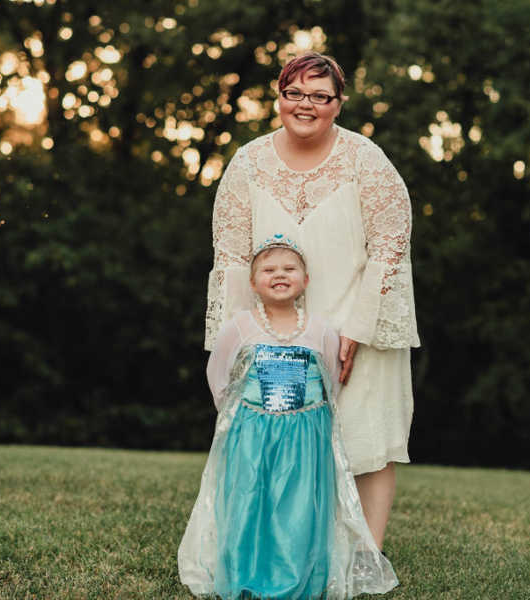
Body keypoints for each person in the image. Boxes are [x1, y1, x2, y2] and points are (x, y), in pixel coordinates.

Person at [205, 52, 419, 552]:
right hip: (277, 334)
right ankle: (291, 550)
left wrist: (358, 329)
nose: (306, 105)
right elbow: (232, 255)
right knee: (280, 443)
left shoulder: (366, 160)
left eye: (320, 96)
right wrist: (245, 336)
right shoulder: (248, 163)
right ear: (278, 97)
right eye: (295, 93)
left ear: (338, 104)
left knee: (367, 440)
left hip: (355, 325)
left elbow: (391, 245)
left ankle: (367, 555)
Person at [179, 235, 397, 599]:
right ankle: (247, 572)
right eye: (268, 269)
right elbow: (219, 374)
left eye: (289, 268)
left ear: (305, 280)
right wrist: (240, 415)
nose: (279, 275)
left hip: (304, 435)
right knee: (251, 500)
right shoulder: (239, 327)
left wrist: (310, 416)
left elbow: (330, 378)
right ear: (253, 282)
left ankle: (300, 577)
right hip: (251, 431)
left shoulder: (320, 331)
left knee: (298, 506)